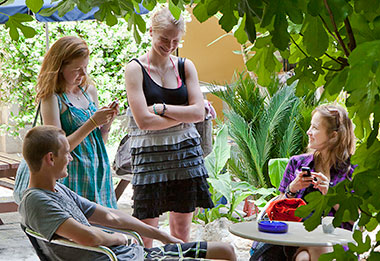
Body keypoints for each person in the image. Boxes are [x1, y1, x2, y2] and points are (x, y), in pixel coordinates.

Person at [19, 125, 236, 261]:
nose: (71, 158)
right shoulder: (37, 201)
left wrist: (161, 235)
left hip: (134, 254)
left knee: (226, 251)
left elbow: (111, 216)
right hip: (119, 257)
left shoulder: (57, 190)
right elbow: (89, 236)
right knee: (223, 253)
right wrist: (121, 239)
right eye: (67, 153)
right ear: (50, 158)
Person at [124, 7, 214, 247]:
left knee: (182, 232)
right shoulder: (135, 69)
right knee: (146, 232)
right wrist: (186, 114)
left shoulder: (185, 67)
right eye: (164, 38)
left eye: (175, 40)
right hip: (149, 158)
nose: (170, 44)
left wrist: (162, 109)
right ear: (151, 31)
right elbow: (143, 121)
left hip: (186, 155)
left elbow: (197, 113)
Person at [251, 104, 357, 261]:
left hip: (336, 240)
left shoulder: (351, 171)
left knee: (305, 258)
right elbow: (277, 212)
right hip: (296, 238)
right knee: (314, 249)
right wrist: (292, 189)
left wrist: (331, 194)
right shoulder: (297, 163)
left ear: (333, 136)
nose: (308, 132)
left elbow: (356, 219)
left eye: (314, 128)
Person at [35, 36, 118, 208]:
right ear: (59, 67)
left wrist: (107, 123)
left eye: (86, 67)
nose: (83, 74)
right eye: (77, 69)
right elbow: (57, 148)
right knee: (80, 227)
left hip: (97, 170)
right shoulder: (52, 98)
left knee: (105, 226)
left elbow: (98, 142)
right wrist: (92, 122)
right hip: (72, 174)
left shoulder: (89, 91)